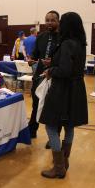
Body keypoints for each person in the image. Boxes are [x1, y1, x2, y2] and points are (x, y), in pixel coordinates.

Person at [40, 12, 88, 178]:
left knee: (50, 126)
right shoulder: (81, 43)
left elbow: (65, 70)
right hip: (76, 90)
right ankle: (64, 161)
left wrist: (51, 70)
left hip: (63, 90)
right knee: (69, 125)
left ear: (66, 25)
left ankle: (59, 167)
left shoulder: (67, 43)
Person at [28, 10, 61, 147]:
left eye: (52, 20)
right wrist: (31, 59)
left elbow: (63, 59)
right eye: (47, 20)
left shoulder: (62, 38)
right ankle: (32, 131)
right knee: (35, 104)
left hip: (55, 77)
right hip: (39, 77)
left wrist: (52, 62)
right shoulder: (40, 37)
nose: (49, 22)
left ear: (58, 21)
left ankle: (54, 137)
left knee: (53, 108)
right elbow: (35, 55)